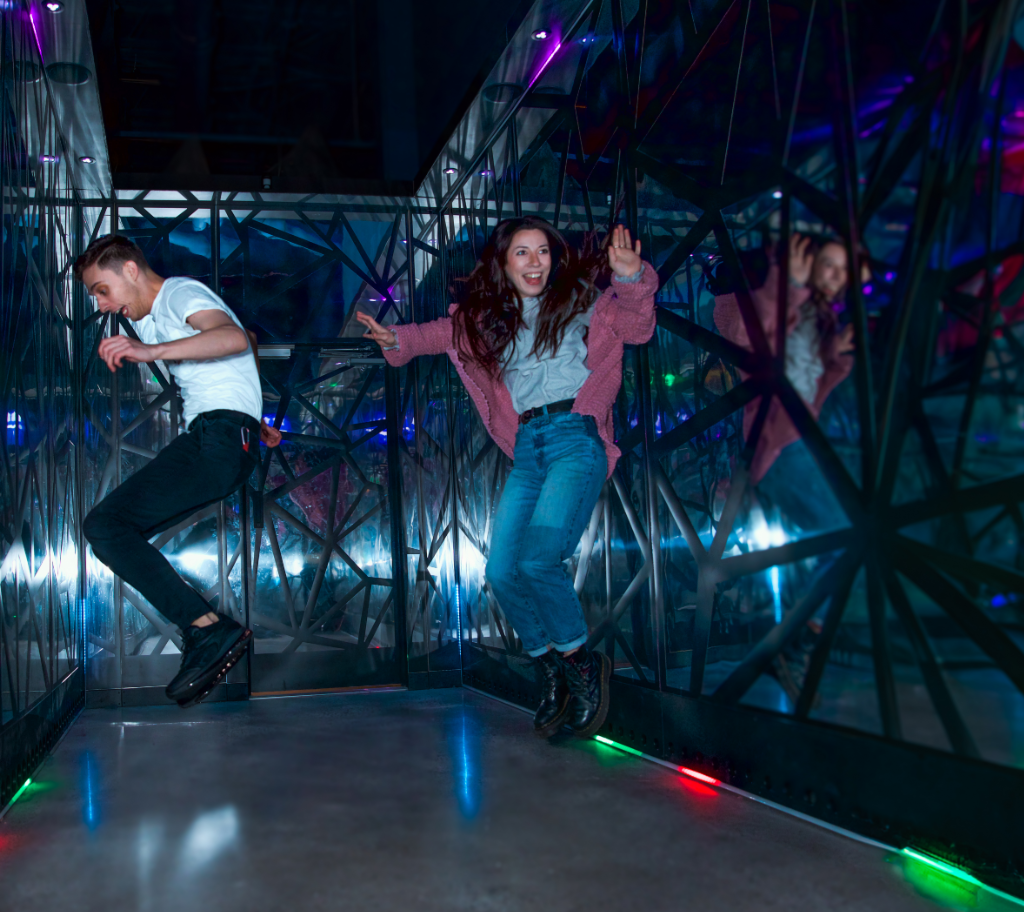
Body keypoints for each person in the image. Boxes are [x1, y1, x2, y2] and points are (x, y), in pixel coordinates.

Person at [357, 217, 657, 739]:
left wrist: (631, 277)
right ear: (503, 262)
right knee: (500, 571)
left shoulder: (582, 302)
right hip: (528, 449)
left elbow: (636, 325)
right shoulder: (486, 319)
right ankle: (551, 667)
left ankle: (583, 665)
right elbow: (438, 333)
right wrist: (395, 338)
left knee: (538, 560)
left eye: (542, 251)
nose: (535, 262)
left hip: (574, 437)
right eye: (522, 252)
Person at [77, 235, 281, 708]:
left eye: (102, 290)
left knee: (106, 525)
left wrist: (150, 353)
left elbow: (233, 338)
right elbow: (247, 341)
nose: (101, 304)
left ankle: (206, 628)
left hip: (216, 441)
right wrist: (252, 415)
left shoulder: (178, 293)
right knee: (110, 528)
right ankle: (205, 628)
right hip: (224, 435)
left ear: (130, 270)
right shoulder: (152, 319)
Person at [712, 234, 857, 533]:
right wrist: (788, 285)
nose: (837, 277)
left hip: (806, 435)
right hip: (780, 444)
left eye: (844, 269)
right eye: (829, 264)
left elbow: (807, 375)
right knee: (846, 529)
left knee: (846, 530)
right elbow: (745, 337)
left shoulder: (814, 312)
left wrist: (836, 354)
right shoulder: (767, 301)